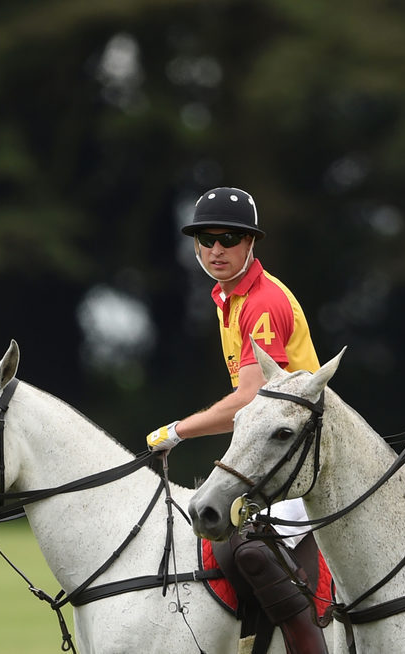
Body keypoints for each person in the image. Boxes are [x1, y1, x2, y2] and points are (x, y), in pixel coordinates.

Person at [146, 186, 328, 654]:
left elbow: (249, 398)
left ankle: (309, 641)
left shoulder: (262, 301)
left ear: (251, 243)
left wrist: (177, 431)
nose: (216, 249)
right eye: (205, 239)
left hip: (298, 452)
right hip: (271, 448)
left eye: (229, 238)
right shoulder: (228, 297)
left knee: (249, 545)